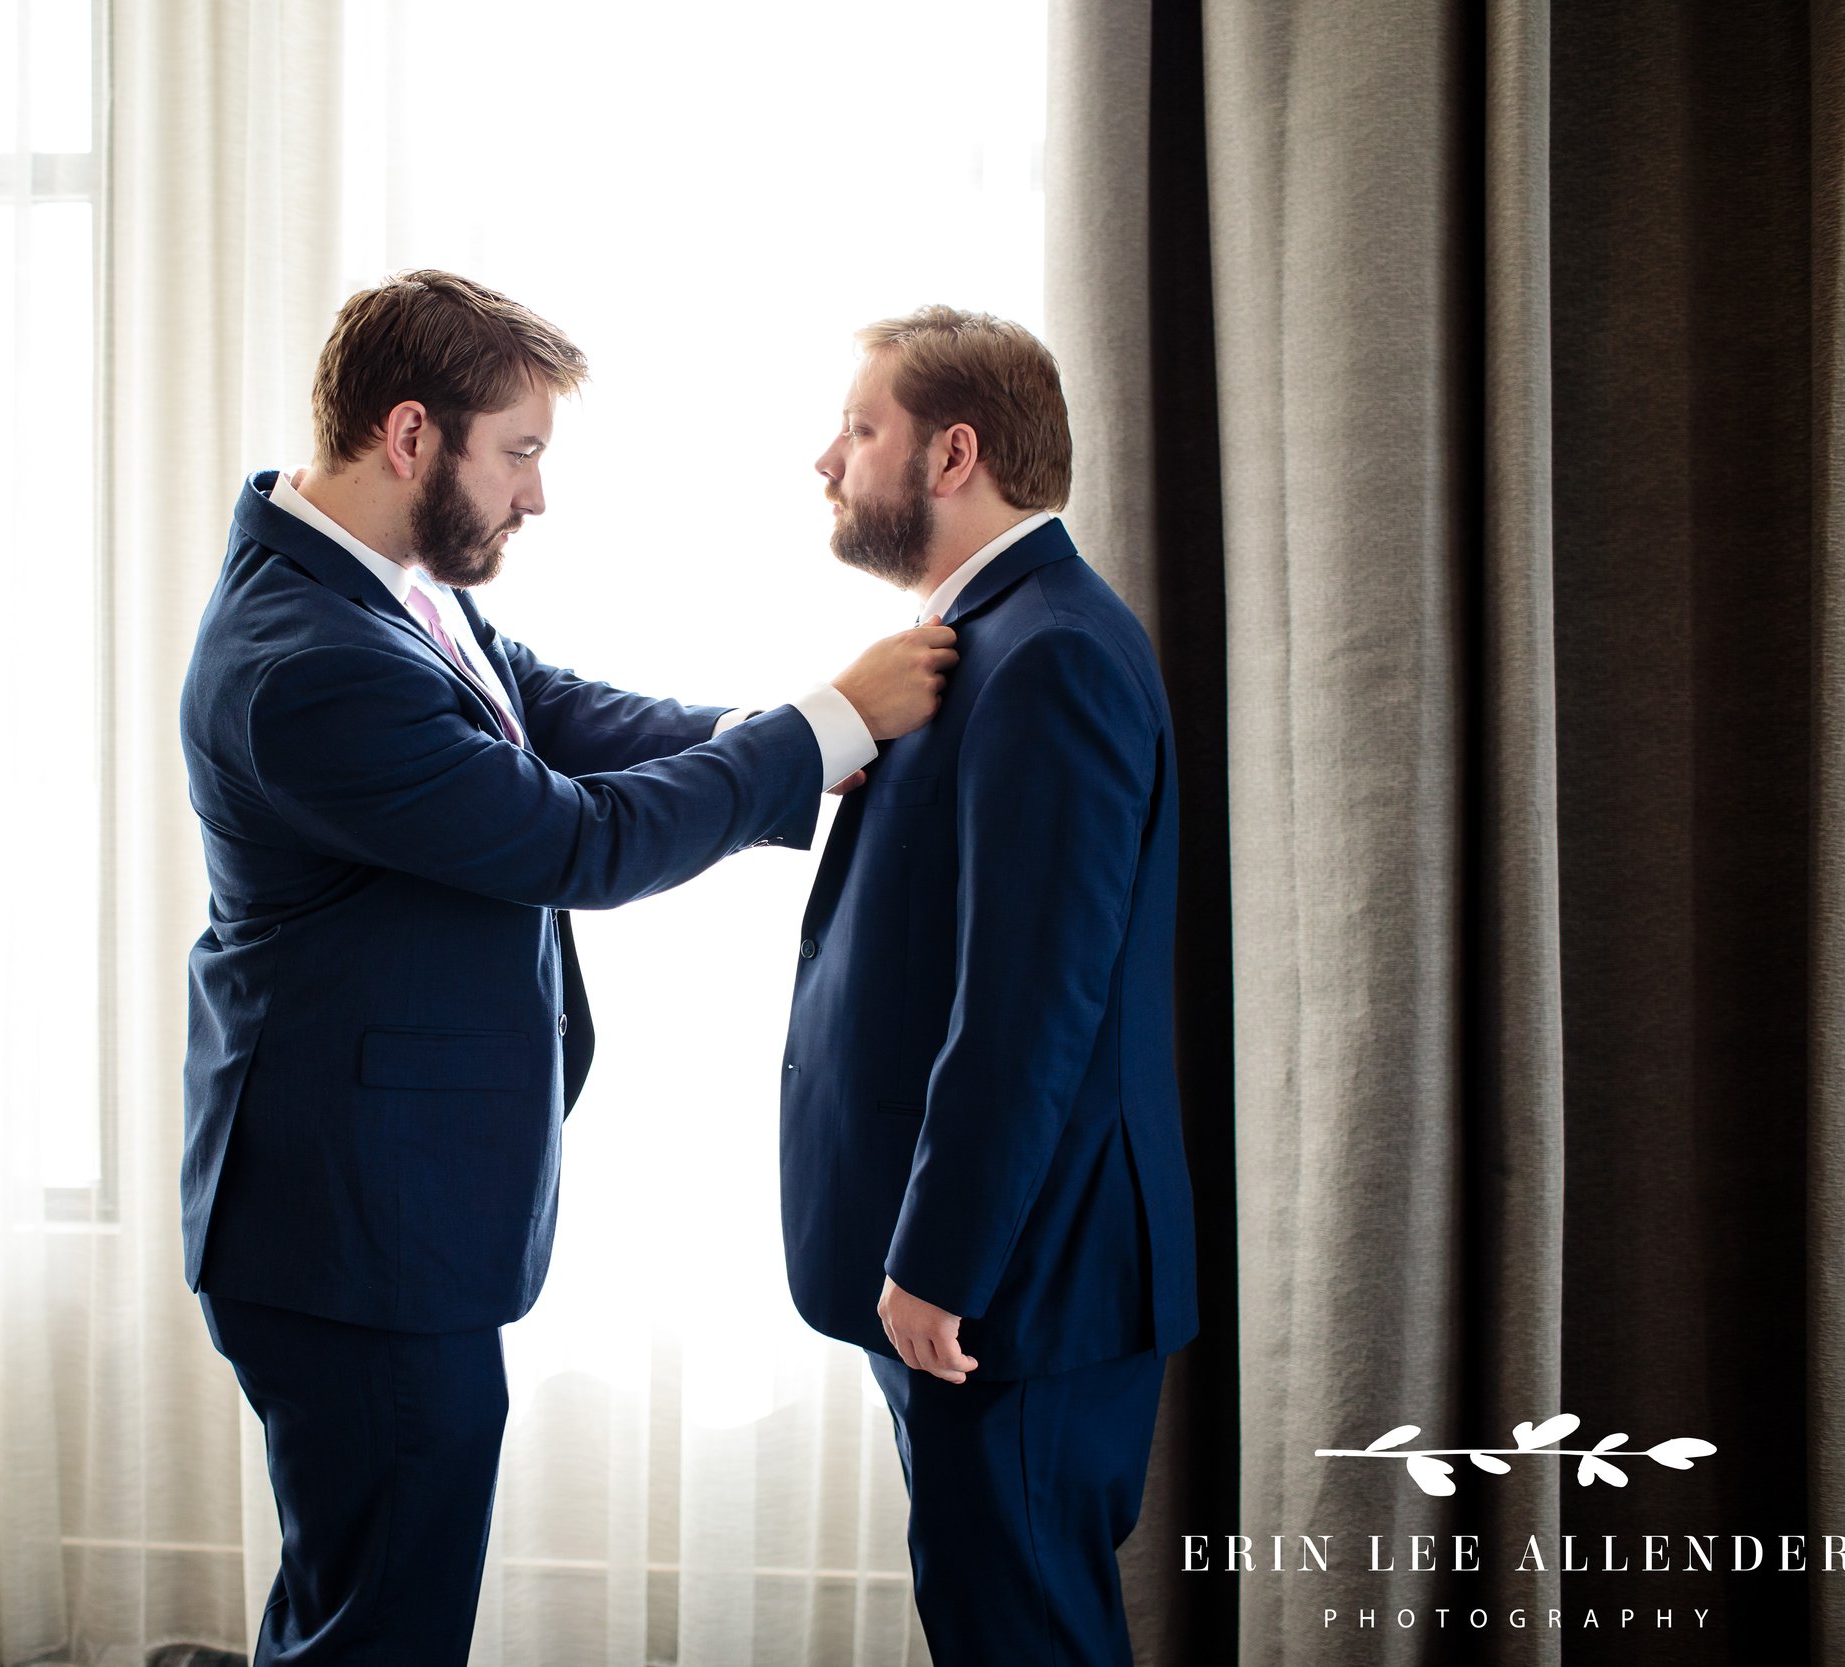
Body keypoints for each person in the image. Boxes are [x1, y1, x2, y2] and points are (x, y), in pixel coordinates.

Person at [178, 269, 956, 1666]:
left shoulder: (380, 580)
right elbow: (572, 840)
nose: (536, 497)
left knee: (362, 1586)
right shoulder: (306, 661)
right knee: (385, 1616)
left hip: (373, 1205)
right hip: (346, 1222)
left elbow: (556, 710)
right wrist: (827, 725)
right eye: (520, 453)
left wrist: (789, 738)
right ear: (411, 437)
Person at [778, 306, 1199, 1665]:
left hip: (1015, 1288)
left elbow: (1031, 1008)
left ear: (952, 456)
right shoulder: (987, 643)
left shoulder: (1052, 654)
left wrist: (940, 1262)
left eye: (861, 429)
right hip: (993, 1282)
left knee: (1019, 1637)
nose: (827, 461)